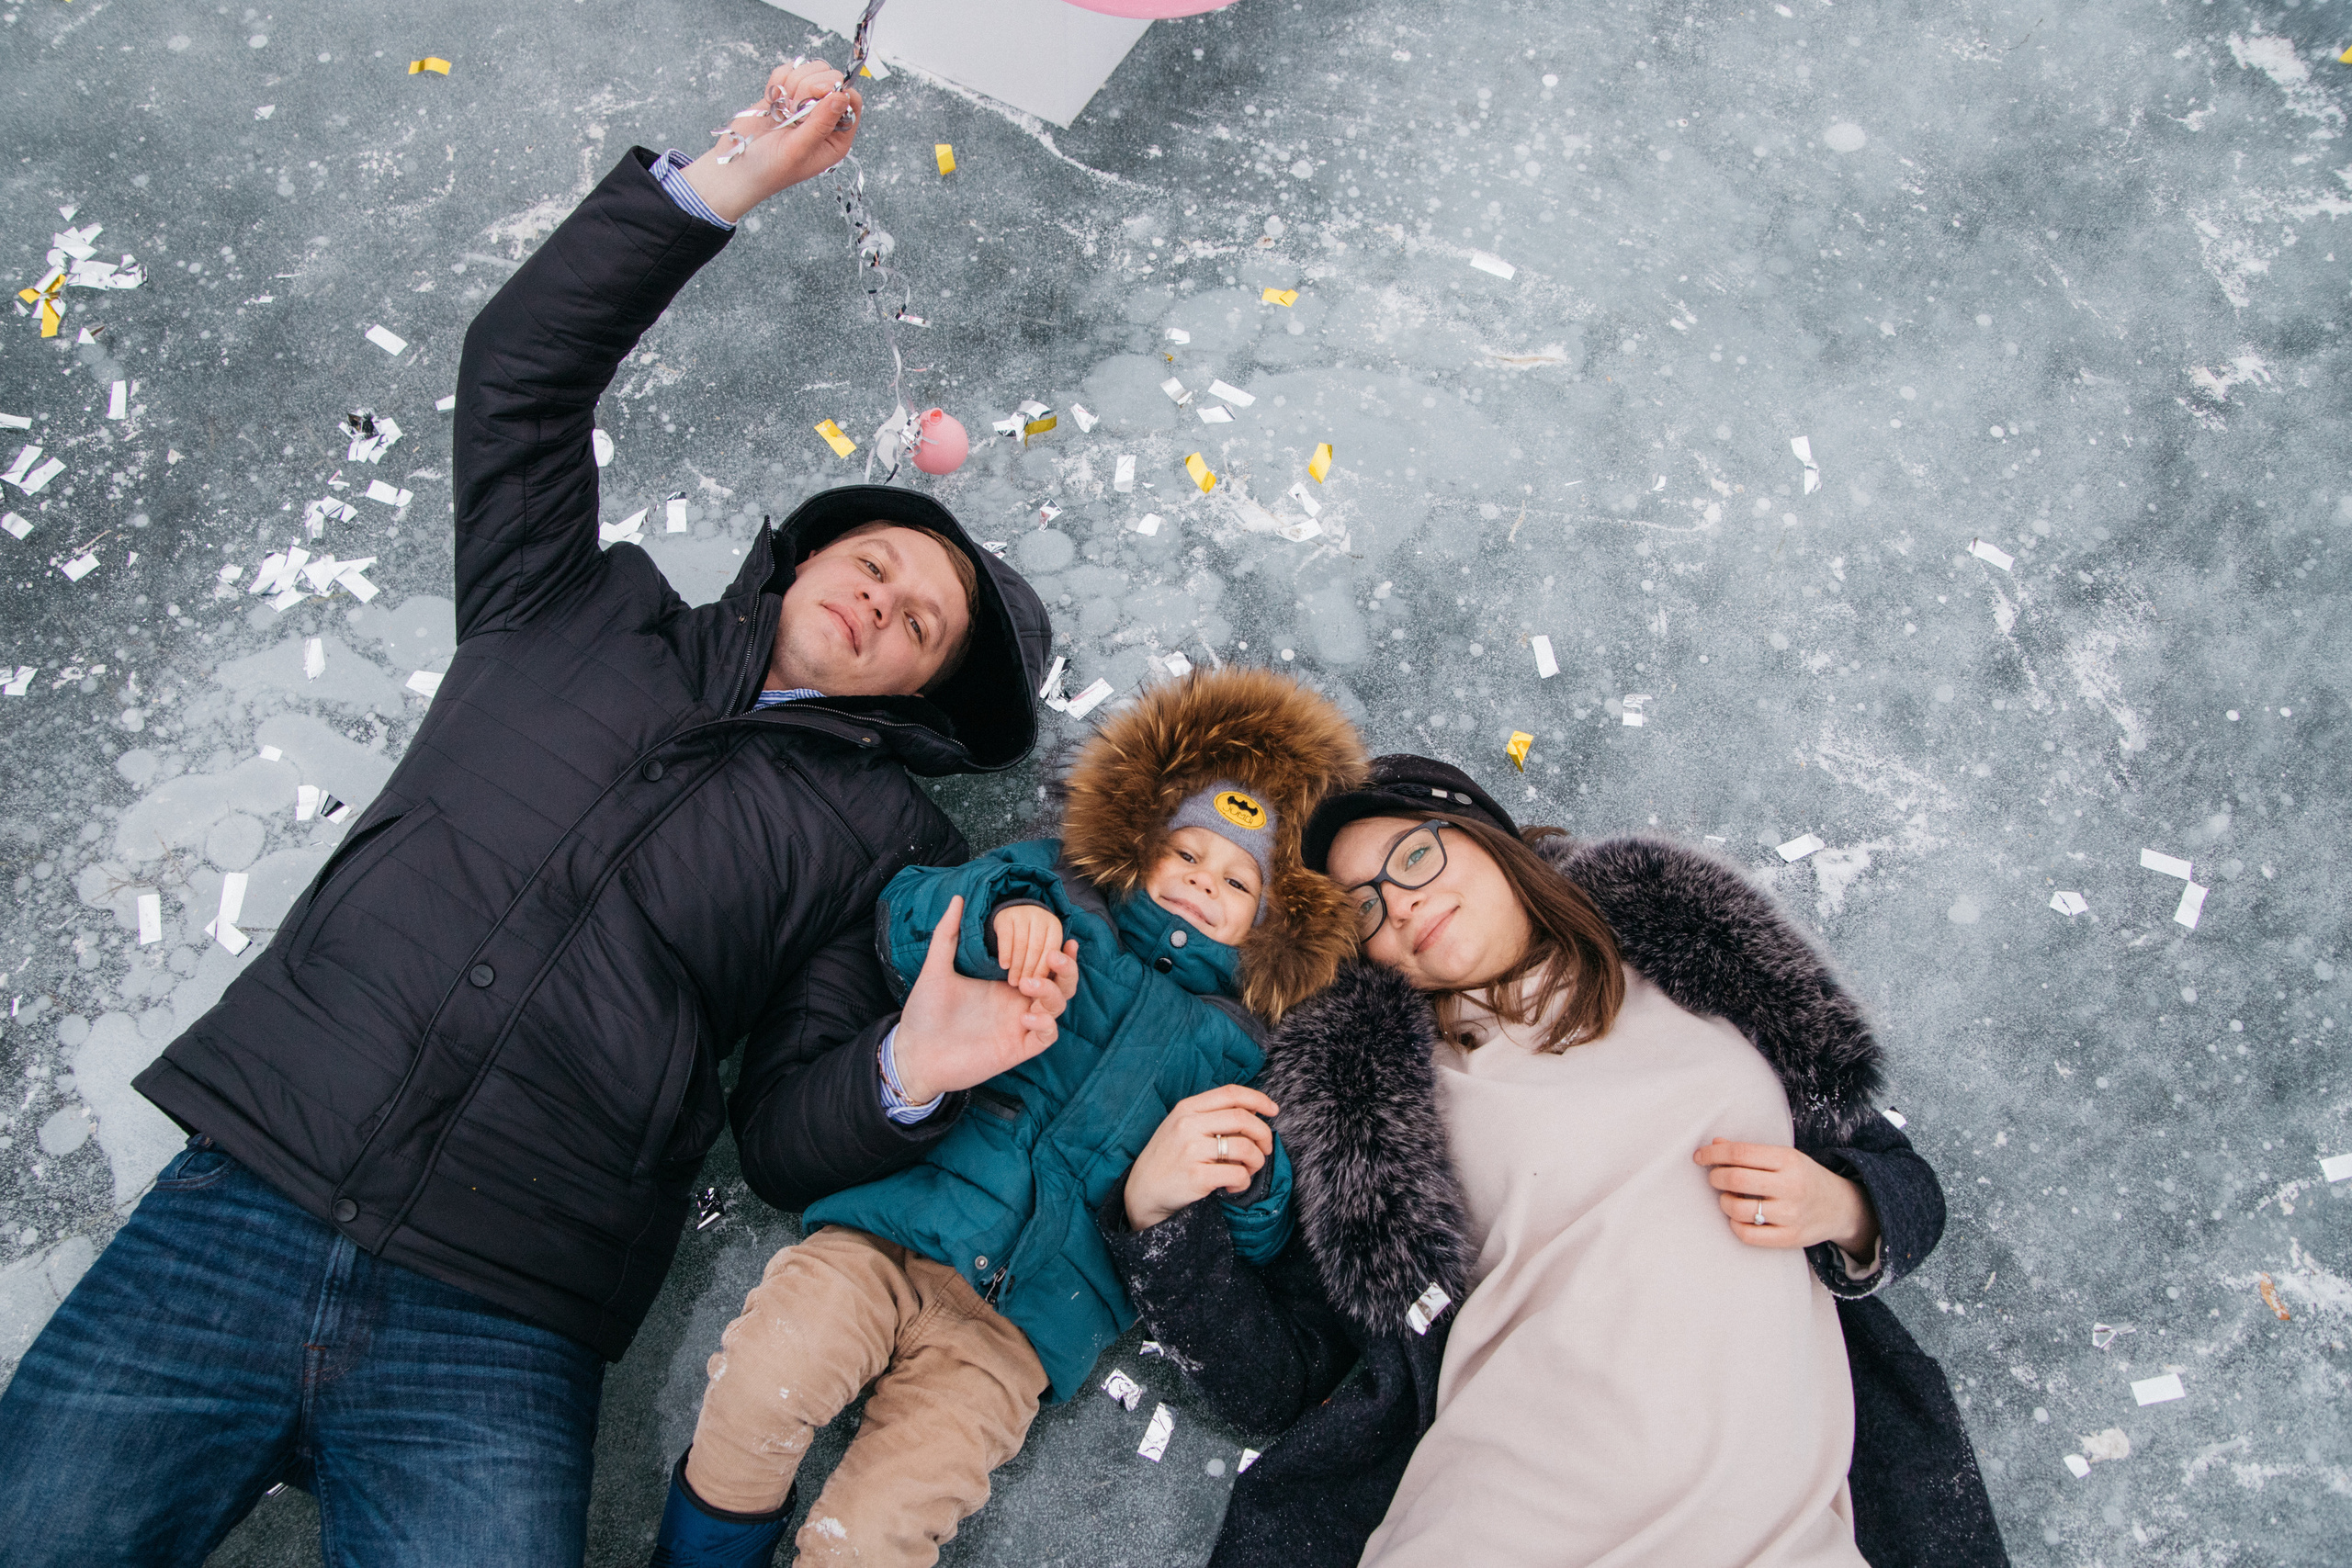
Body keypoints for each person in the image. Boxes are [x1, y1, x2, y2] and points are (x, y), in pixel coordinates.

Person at [0, 62, 1069, 1568]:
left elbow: (779, 1135)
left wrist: (906, 1066)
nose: (887, 595)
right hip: (242, 1206)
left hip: (505, 1311)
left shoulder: (887, 850)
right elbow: (520, 373)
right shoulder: (571, 603)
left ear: (931, 698)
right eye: (882, 559)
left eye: (924, 620)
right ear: (812, 556)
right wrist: (724, 186)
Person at [1102, 756, 2009, 1568]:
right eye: (1364, 908)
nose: (1401, 903)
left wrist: (1845, 1209)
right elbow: (1280, 1380)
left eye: (1415, 857)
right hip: (1506, 1516)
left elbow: (1903, 1184)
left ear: (1491, 841)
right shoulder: (1379, 1109)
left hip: (1775, 1523)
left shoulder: (1701, 969)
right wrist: (1162, 1226)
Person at [649, 666, 1367, 1567]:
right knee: (759, 1384)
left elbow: (1253, 1242)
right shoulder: (1056, 894)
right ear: (1141, 843)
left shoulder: (1243, 1052)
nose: (1198, 884)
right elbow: (906, 916)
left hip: (1018, 1336)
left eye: (1233, 884)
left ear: (1266, 927)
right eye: (1184, 854)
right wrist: (999, 920)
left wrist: (1252, 1179)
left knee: (882, 1530)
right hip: (881, 1236)